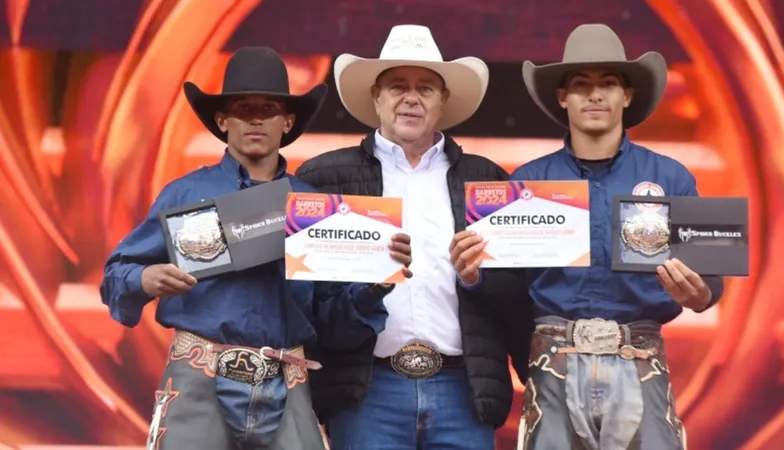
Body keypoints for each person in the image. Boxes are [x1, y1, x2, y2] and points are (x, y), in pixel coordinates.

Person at [99, 47, 412, 450]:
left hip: (287, 376)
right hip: (201, 373)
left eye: (269, 108)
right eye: (244, 108)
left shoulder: (312, 206)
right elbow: (114, 274)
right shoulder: (187, 193)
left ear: (288, 121)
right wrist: (144, 277)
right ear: (222, 119)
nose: (256, 118)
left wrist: (375, 280)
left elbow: (332, 317)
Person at [450, 24, 725, 450]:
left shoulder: (670, 177)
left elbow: (709, 278)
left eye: (608, 83)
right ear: (563, 97)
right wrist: (472, 274)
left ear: (627, 95)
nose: (595, 95)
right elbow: (508, 288)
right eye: (581, 85)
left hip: (640, 357)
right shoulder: (528, 182)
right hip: (553, 359)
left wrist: (700, 294)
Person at [294, 25, 531, 450]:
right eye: (397, 86)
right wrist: (370, 282)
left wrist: (477, 277)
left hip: (463, 388)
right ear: (377, 98)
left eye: (425, 88)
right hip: (366, 392)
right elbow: (305, 302)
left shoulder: (486, 178)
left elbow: (518, 292)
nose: (411, 97)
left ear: (442, 102)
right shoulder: (322, 178)